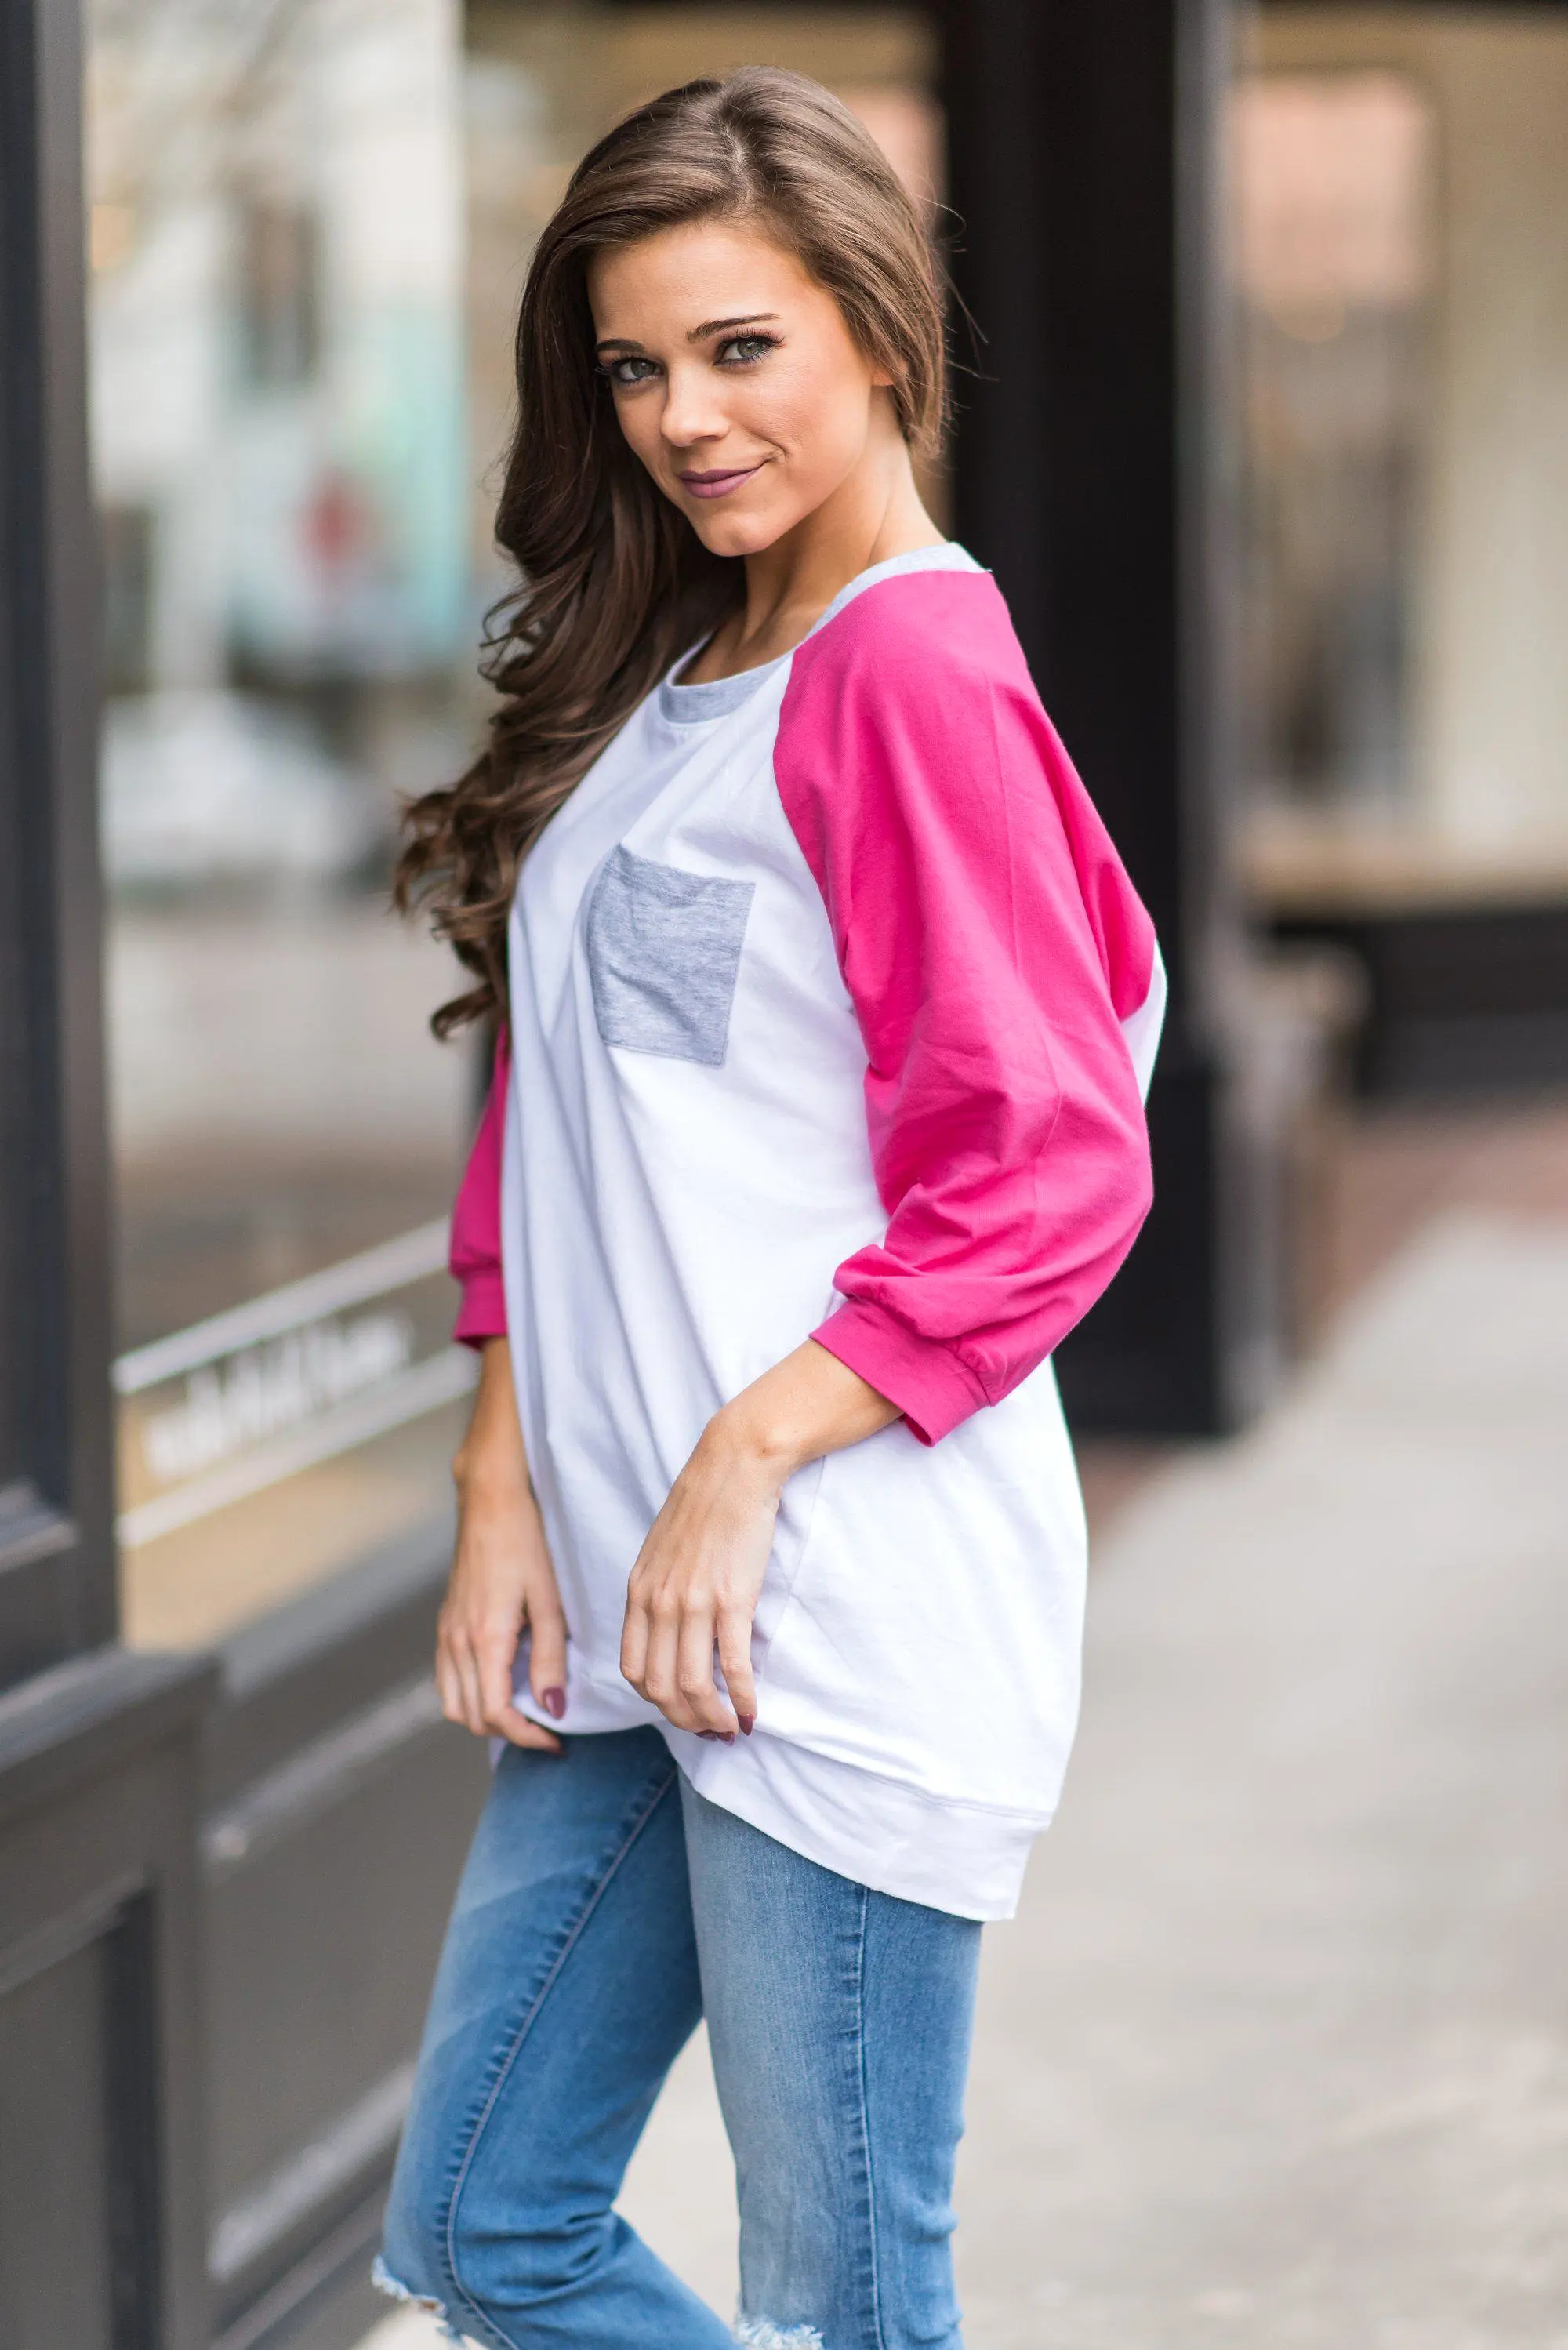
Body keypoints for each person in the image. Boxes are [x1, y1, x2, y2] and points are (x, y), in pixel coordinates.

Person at [376, 66, 1163, 2350]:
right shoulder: (685, 656)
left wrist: (744, 1451)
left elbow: (1045, 1159)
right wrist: (503, 1446)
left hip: (822, 1602)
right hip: (636, 1614)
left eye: (743, 348)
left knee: (852, 2297)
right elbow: (563, 1087)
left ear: (878, 334)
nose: (683, 419)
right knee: (486, 2216)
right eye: (635, 365)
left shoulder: (903, 661)